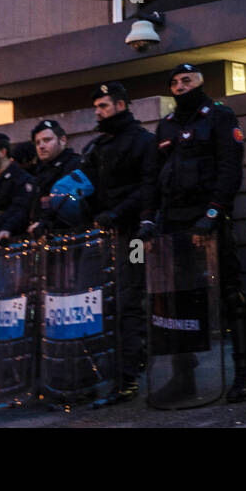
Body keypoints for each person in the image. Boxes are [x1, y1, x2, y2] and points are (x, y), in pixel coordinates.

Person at [146, 64, 246, 403]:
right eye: (174, 82)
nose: (179, 87)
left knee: (230, 294)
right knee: (179, 304)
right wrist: (149, 219)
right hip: (173, 227)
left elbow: (230, 167)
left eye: (186, 81)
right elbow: (154, 177)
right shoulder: (166, 125)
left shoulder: (219, 116)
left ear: (201, 82)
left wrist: (214, 212)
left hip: (209, 220)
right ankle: (183, 378)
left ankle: (243, 375)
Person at [83, 81, 159, 396]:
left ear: (121, 105)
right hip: (106, 236)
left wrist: (118, 213)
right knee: (108, 302)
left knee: (130, 301)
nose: (98, 112)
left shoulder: (143, 142)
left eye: (103, 106)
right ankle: (114, 370)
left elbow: (149, 187)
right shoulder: (97, 147)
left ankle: (128, 373)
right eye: (96, 107)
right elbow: (86, 188)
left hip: (134, 235)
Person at [27, 119, 84, 233]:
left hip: (73, 234)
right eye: (37, 142)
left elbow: (70, 200)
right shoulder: (39, 172)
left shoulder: (76, 164)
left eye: (47, 140)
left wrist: (45, 222)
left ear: (62, 140)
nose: (41, 146)